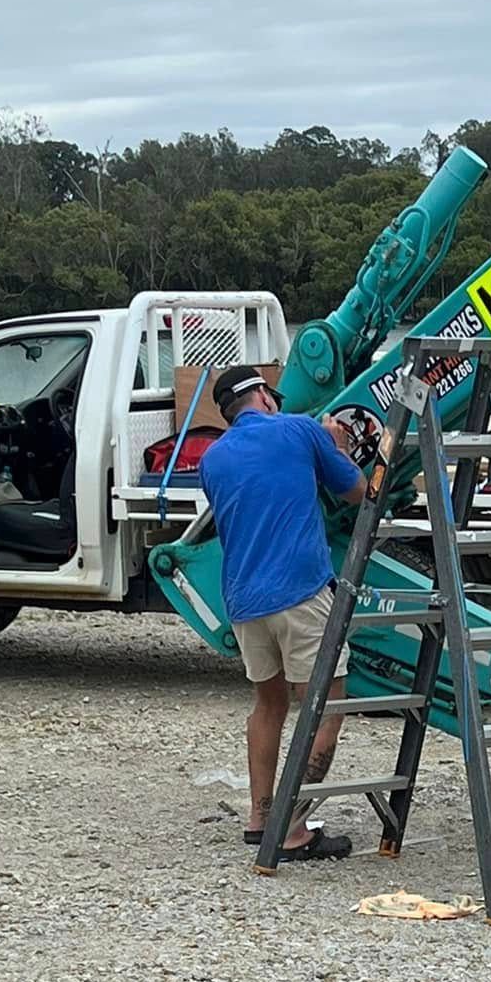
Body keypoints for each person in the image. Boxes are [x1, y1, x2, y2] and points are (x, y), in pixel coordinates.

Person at [197, 366, 368, 860]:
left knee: (268, 705)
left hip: (245, 601)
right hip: (300, 591)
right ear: (261, 396)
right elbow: (357, 492)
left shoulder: (213, 459)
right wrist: (333, 445)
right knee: (327, 706)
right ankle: (291, 828)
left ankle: (260, 816)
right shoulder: (300, 429)